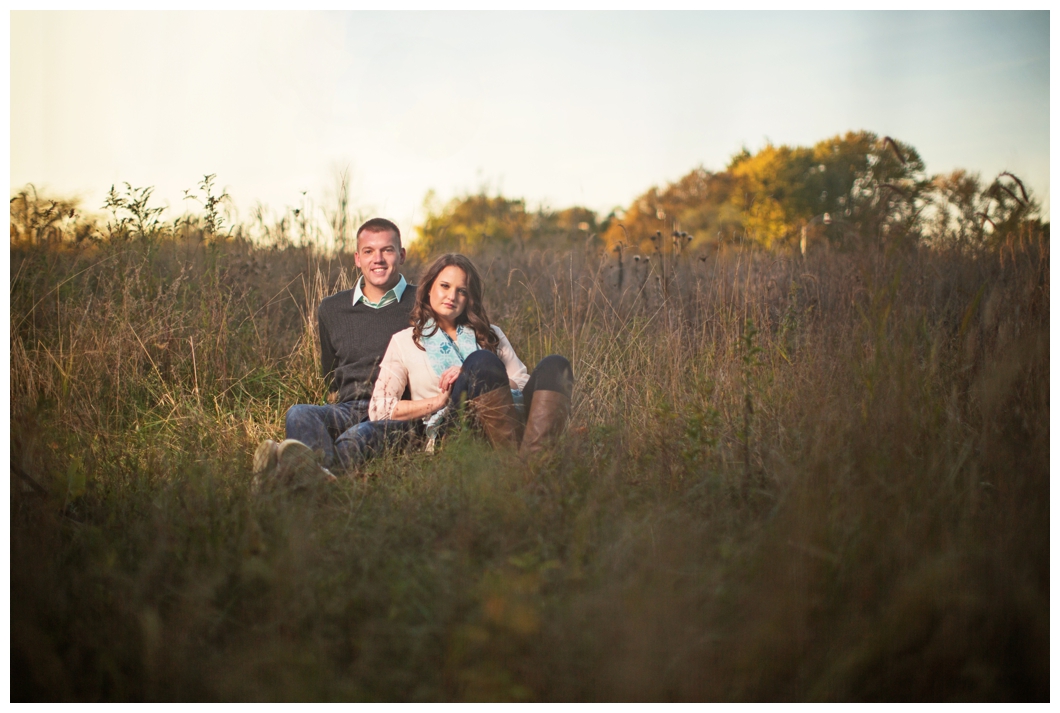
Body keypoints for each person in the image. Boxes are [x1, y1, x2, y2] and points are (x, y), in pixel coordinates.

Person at [252, 217, 416, 487]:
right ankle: (316, 479)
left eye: (387, 250)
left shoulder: (423, 301)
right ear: (357, 258)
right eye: (368, 251)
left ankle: (284, 476)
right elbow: (330, 374)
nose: (378, 259)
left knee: (354, 439)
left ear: (401, 255)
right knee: (298, 414)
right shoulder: (332, 308)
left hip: (397, 412)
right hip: (348, 407)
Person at [363, 253, 573, 459]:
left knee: (556, 365)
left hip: (512, 418)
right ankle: (513, 466)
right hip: (455, 427)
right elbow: (379, 408)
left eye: (461, 291)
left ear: (468, 299)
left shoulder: (490, 333)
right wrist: (438, 401)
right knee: (482, 361)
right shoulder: (405, 341)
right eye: (445, 286)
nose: (452, 296)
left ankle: (532, 464)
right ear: (428, 289)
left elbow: (522, 380)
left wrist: (471, 374)